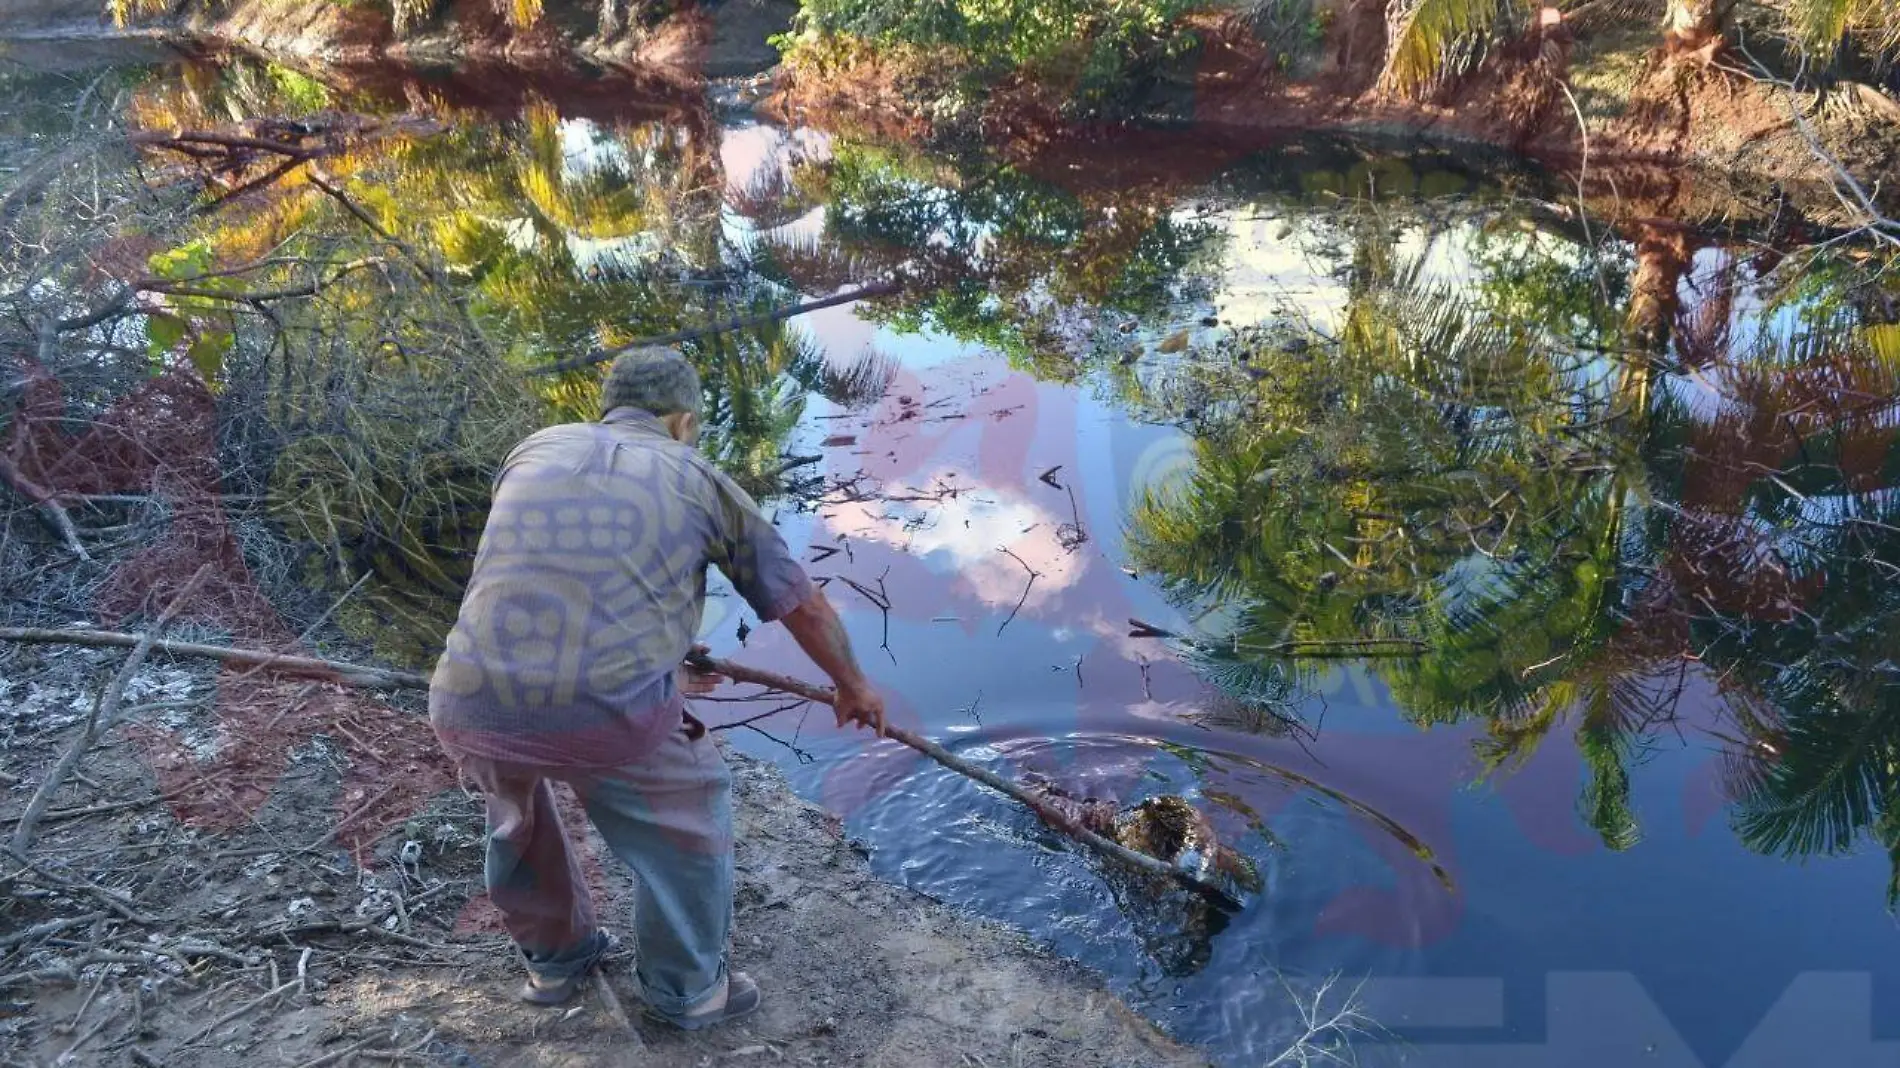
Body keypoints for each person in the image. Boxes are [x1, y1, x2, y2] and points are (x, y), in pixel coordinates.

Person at [428, 346, 887, 1029]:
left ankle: (554, 966)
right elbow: (800, 602)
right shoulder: (695, 473)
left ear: (607, 409)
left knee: (516, 821)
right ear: (681, 422)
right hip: (609, 712)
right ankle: (689, 991)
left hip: (469, 697)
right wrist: (853, 686)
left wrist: (668, 655)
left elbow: (565, 575)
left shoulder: (535, 449)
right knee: (690, 815)